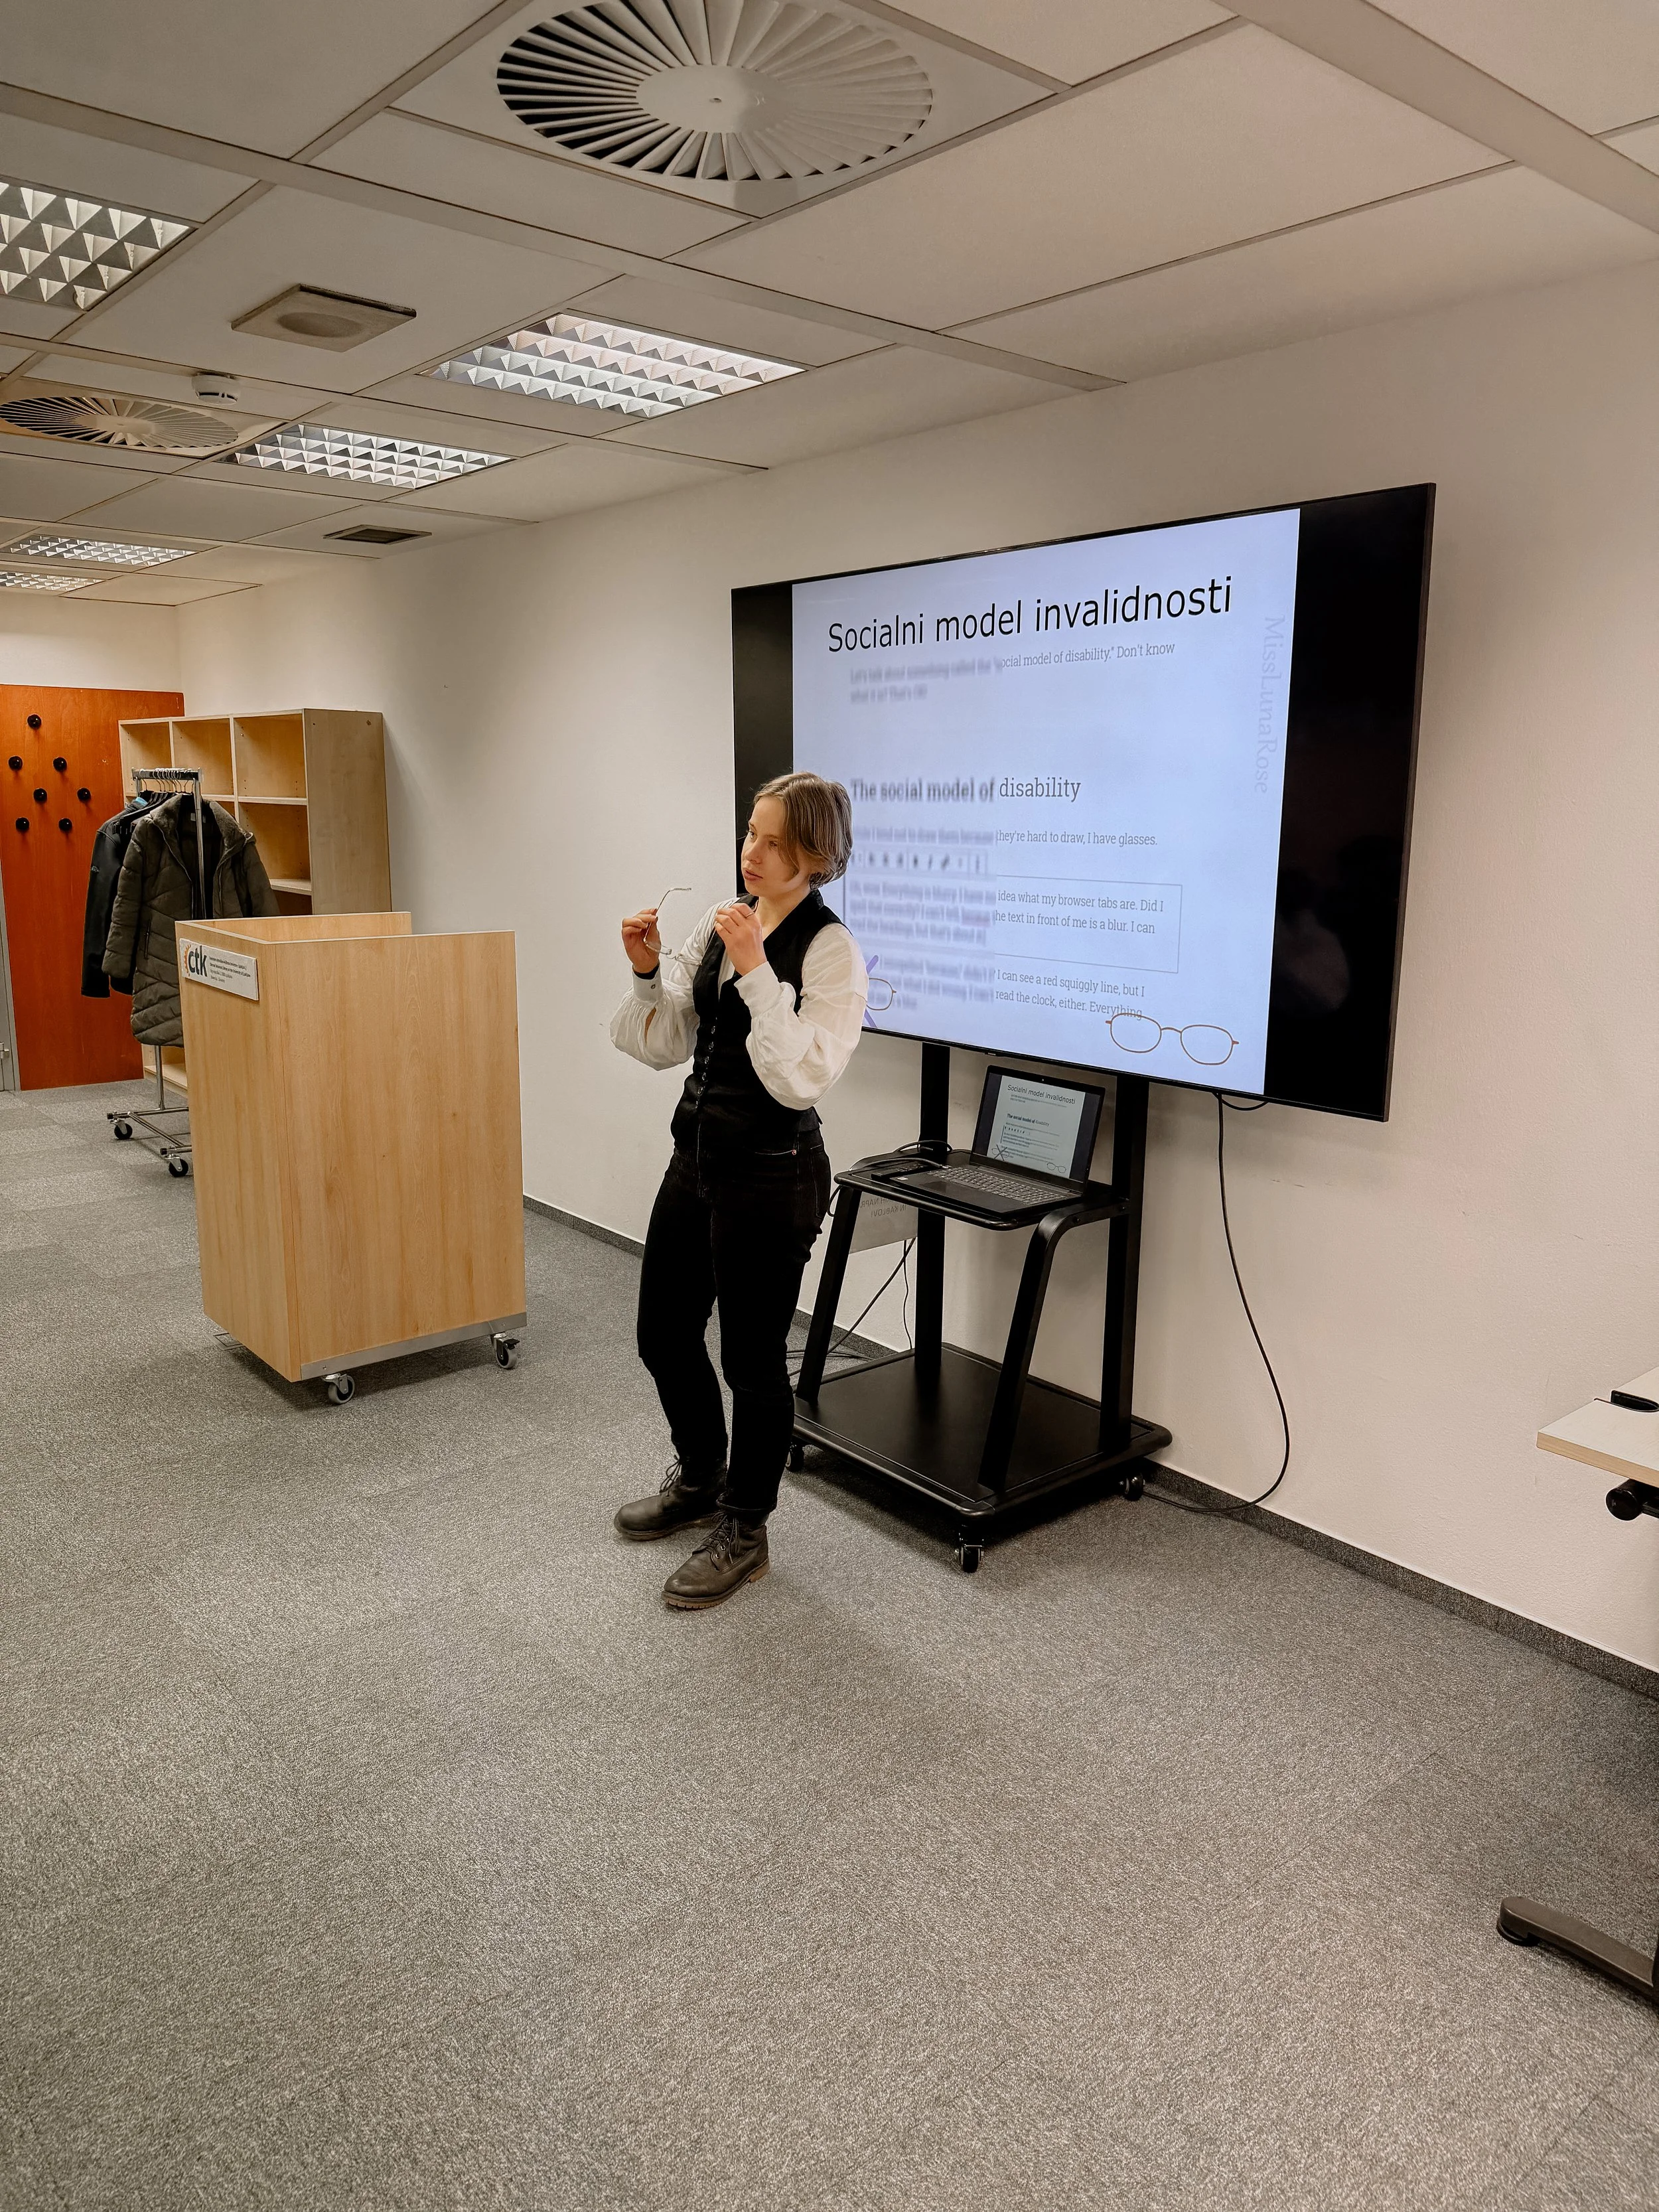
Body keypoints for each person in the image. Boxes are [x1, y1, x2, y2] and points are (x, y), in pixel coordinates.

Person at [609, 773, 867, 1609]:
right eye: (749, 834)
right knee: (661, 1332)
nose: (750, 853)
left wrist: (758, 972)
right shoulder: (722, 920)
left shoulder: (832, 952)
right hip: (699, 1159)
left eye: (772, 843)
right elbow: (666, 1043)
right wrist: (650, 972)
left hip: (774, 1173)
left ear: (816, 857)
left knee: (752, 1362)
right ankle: (702, 1477)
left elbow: (800, 1079)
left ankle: (745, 1529)